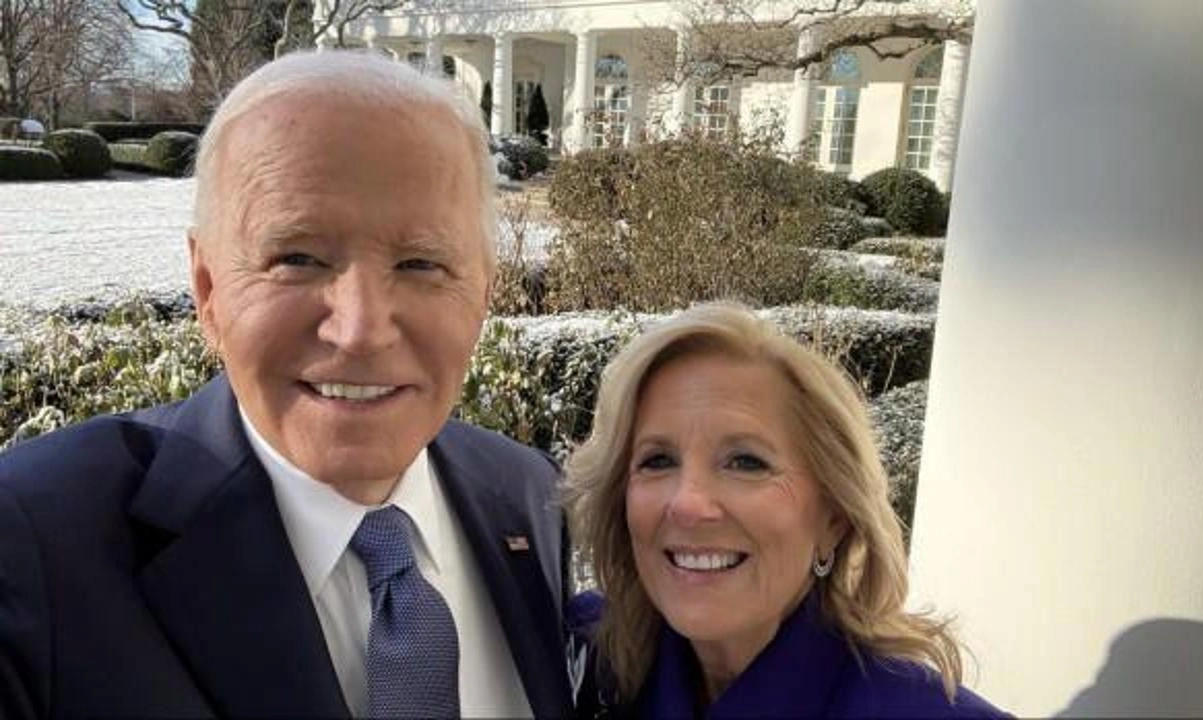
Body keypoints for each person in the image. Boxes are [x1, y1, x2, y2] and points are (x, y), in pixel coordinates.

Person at [0, 52, 574, 718]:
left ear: (483, 293)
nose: (360, 331)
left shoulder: (528, 496)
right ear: (208, 289)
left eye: (421, 263)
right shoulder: (35, 545)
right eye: (297, 258)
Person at [564, 303, 1008, 718]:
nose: (687, 503)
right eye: (657, 460)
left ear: (834, 519)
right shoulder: (582, 659)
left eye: (746, 462)